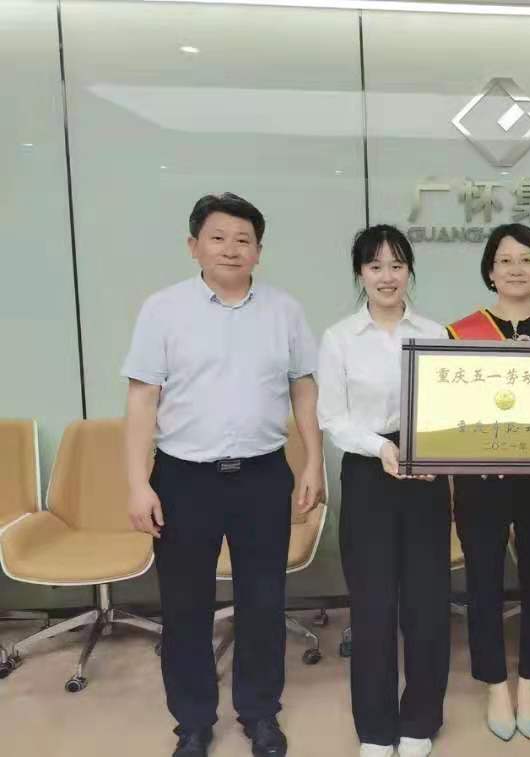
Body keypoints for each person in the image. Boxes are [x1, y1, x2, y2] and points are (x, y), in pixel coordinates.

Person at [124, 192, 324, 757]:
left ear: (259, 250)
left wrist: (313, 460)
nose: (231, 249)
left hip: (263, 476)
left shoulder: (284, 311)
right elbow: (141, 400)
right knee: (185, 606)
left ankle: (260, 714)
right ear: (194, 246)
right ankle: (192, 722)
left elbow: (303, 387)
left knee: (264, 600)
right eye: (218, 238)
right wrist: (138, 483)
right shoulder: (162, 310)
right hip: (184, 479)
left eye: (243, 239)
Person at [317, 225, 451, 757]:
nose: (387, 276)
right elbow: (333, 416)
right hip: (369, 471)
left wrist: (433, 451)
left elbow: (449, 408)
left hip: (426, 473)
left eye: (397, 265)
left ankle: (420, 719)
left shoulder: (435, 333)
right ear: (360, 273)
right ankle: (375, 728)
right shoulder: (339, 338)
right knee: (373, 605)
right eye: (375, 266)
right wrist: (381, 448)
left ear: (409, 270)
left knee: (426, 601)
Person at [447, 223, 530, 742]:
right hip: (481, 477)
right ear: (490, 271)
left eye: (526, 259)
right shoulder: (461, 333)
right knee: (482, 581)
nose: (516, 269)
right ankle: (494, 684)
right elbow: (454, 410)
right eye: (505, 260)